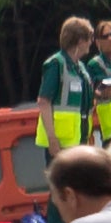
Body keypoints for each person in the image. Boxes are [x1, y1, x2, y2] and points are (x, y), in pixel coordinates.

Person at [36, 16, 99, 152]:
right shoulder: (56, 64)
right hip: (61, 143)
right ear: (81, 41)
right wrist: (52, 139)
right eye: (90, 38)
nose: (91, 43)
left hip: (79, 139)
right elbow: (43, 101)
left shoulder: (81, 68)